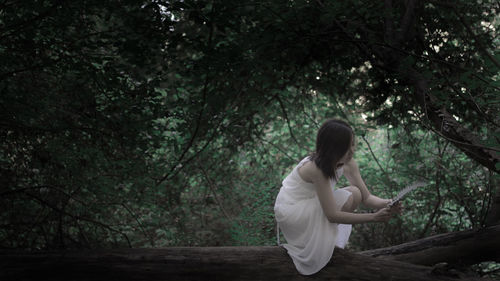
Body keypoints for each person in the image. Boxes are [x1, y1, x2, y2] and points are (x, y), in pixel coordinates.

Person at [274, 119, 402, 275]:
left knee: (356, 193)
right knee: (351, 194)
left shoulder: (348, 163)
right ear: (335, 148)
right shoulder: (316, 168)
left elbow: (367, 198)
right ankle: (324, 247)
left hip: (311, 206)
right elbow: (332, 215)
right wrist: (373, 217)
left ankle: (328, 245)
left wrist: (389, 203)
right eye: (348, 146)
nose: (352, 150)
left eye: (353, 144)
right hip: (292, 211)